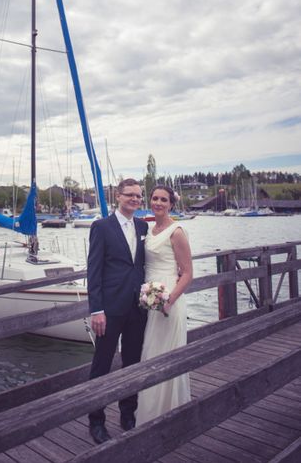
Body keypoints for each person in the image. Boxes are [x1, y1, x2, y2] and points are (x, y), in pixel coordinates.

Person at [87, 178, 148, 444]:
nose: (135, 199)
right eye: (130, 195)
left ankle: (127, 413)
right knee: (101, 364)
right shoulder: (101, 227)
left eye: (138, 196)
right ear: (118, 196)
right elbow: (94, 270)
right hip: (109, 310)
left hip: (138, 308)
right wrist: (96, 309)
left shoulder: (143, 225)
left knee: (133, 362)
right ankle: (96, 420)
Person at [136, 184, 193, 425]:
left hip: (169, 299)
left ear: (171, 204)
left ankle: (170, 412)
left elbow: (188, 273)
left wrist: (169, 300)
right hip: (151, 299)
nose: (158, 203)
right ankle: (150, 412)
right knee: (150, 354)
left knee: (166, 355)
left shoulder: (176, 231)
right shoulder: (150, 230)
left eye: (163, 200)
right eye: (155, 198)